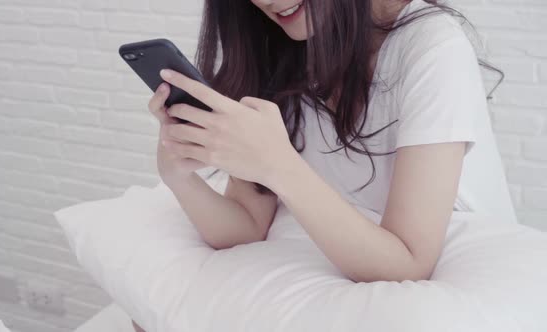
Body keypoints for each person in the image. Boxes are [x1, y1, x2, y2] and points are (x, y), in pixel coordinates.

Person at [134, 0, 515, 330]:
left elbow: (408, 265)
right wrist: (178, 177)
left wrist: (279, 166)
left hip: (434, 283)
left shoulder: (432, 46)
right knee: (149, 312)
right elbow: (246, 224)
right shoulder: (282, 50)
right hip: (355, 265)